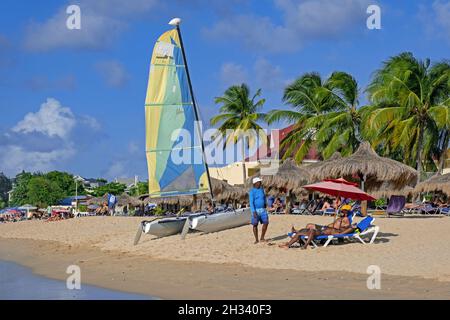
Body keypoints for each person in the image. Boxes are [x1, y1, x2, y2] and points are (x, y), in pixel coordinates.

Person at [249, 177, 269, 244]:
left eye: (260, 182)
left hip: (263, 210)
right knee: (255, 224)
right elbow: (251, 202)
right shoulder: (252, 192)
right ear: (255, 183)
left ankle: (262, 238)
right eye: (259, 182)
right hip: (255, 210)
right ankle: (256, 239)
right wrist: (253, 211)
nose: (260, 183)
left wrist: (265, 203)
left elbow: (264, 197)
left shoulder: (262, 190)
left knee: (266, 223)